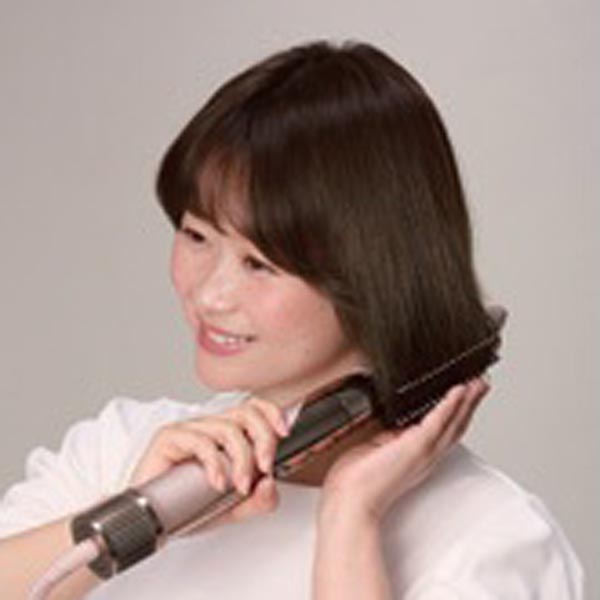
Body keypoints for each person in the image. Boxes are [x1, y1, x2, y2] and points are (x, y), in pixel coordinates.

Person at [0, 40, 583, 599]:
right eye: (196, 235)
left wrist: (350, 518)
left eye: (260, 264)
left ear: (372, 276)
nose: (210, 296)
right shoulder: (122, 452)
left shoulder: (492, 540)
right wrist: (139, 515)